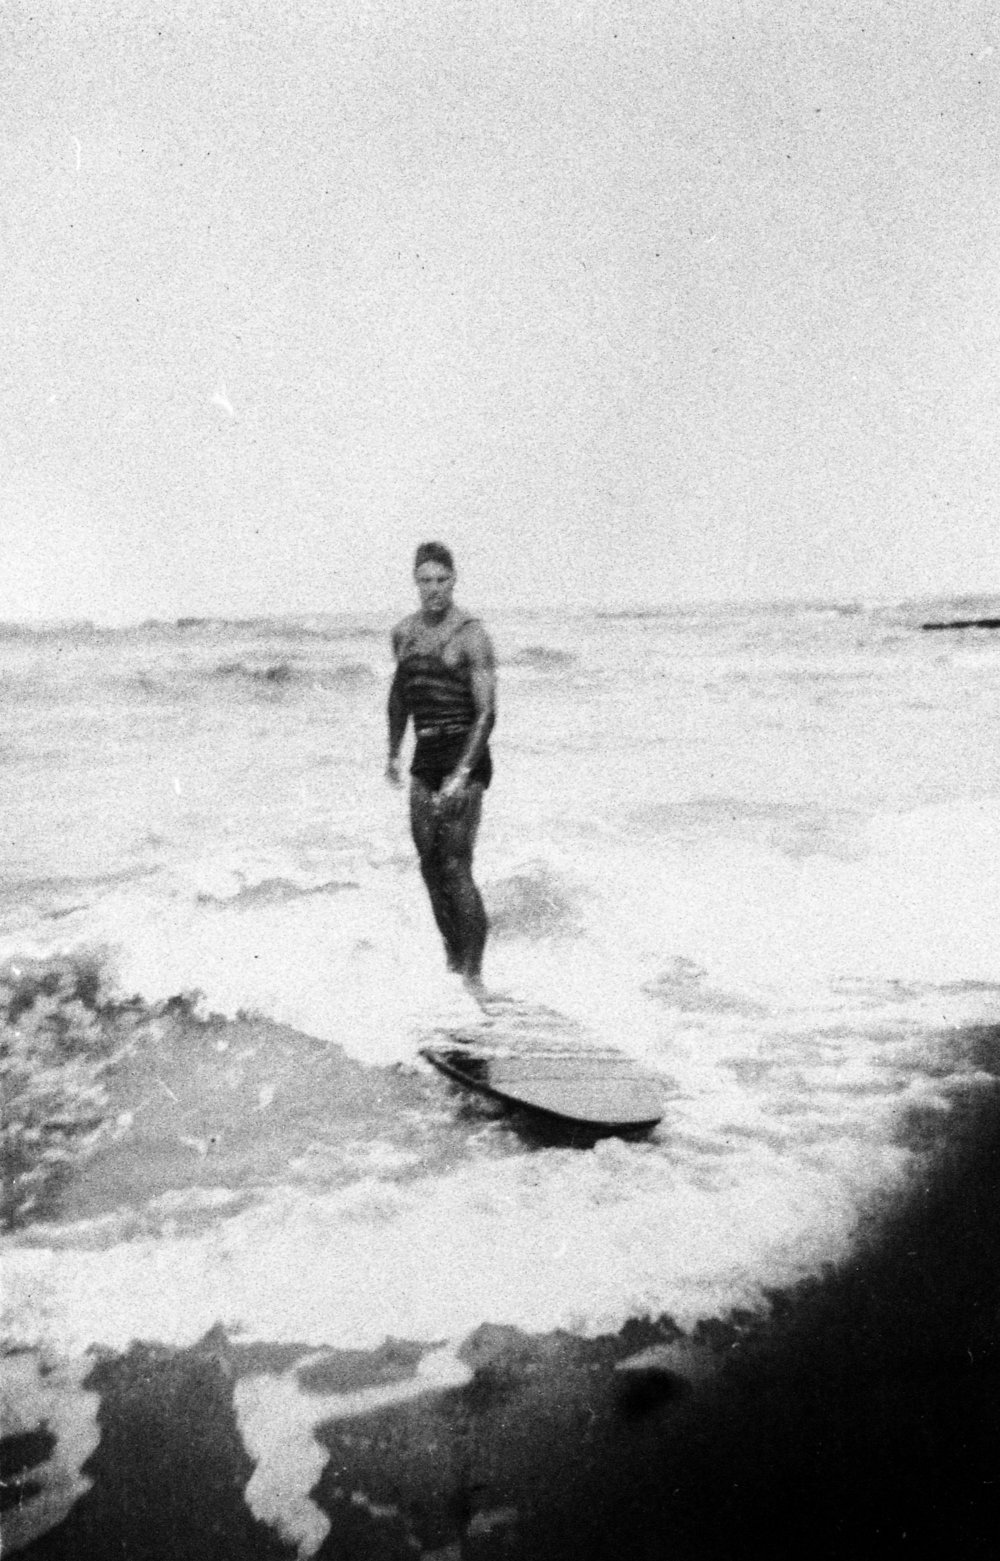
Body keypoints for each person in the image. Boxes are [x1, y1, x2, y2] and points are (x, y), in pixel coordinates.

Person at [386, 542, 496, 992]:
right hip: (425, 755)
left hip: (464, 754)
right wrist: (393, 753)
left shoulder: (471, 634)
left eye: (442, 580)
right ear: (416, 582)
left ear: (454, 580)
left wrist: (461, 774)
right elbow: (400, 696)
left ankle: (474, 976)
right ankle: (453, 963)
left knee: (455, 866)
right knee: (429, 866)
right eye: (425, 580)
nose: (433, 589)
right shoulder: (403, 634)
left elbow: (487, 713)